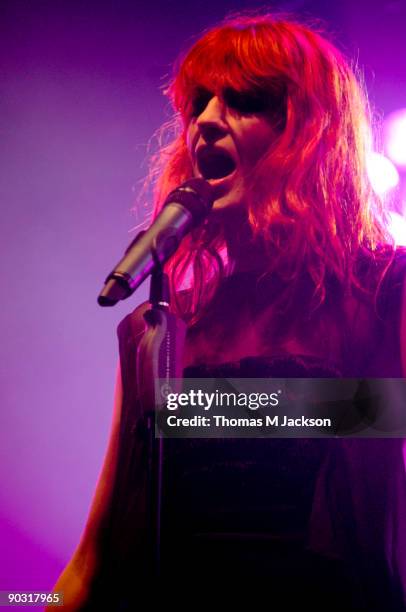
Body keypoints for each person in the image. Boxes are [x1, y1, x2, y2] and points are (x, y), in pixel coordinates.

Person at [52, 12, 406, 611]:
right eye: (199, 104)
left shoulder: (384, 291)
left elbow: (383, 425)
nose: (207, 122)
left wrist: (199, 410)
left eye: (243, 101)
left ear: (308, 131)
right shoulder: (167, 325)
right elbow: (94, 557)